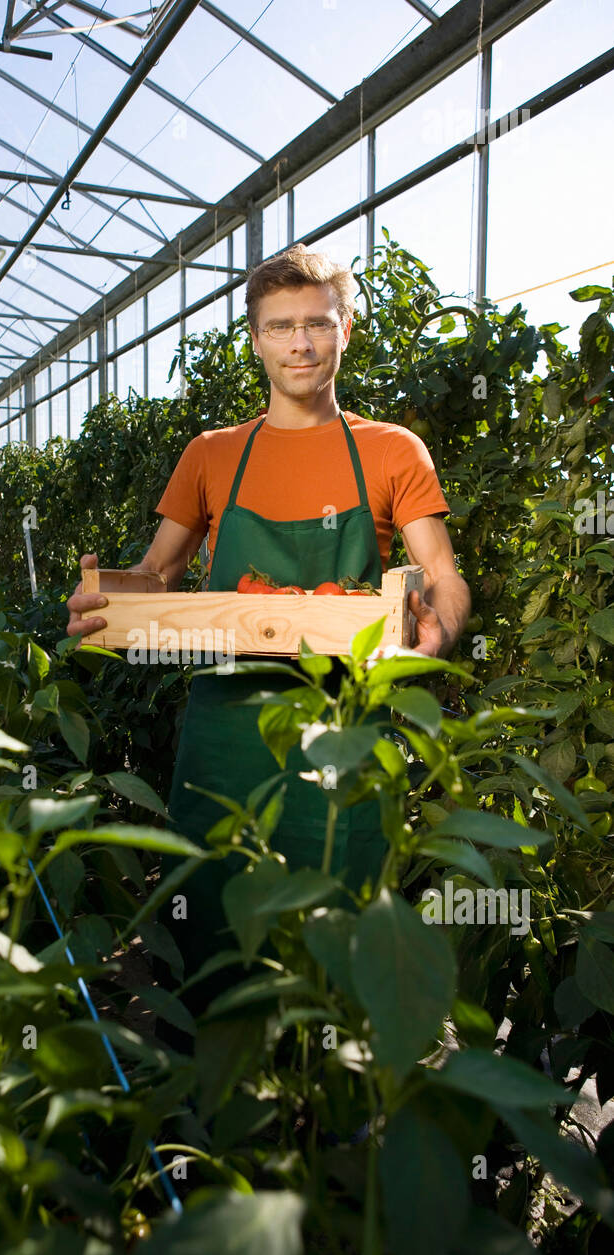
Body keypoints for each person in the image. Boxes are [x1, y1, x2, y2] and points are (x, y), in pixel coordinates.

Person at [67, 242, 472, 1047]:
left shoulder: (391, 450)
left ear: (345, 329)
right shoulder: (213, 454)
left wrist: (436, 628)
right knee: (215, 910)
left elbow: (443, 576)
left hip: (345, 731)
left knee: (343, 913)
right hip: (227, 731)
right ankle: (218, 1090)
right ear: (255, 338)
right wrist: (105, 601)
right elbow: (160, 573)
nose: (300, 344)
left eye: (317, 324)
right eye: (280, 327)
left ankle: (338, 1100)